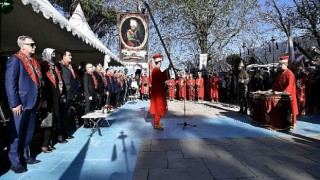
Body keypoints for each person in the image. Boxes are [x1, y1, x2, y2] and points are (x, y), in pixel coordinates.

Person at [5, 35, 41, 173]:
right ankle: (15, 162)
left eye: (34, 44)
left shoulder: (33, 61)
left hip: (32, 102)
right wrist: (15, 103)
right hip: (20, 103)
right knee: (17, 133)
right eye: (31, 44)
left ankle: (26, 156)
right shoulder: (15, 60)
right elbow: (10, 83)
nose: (34, 46)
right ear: (22, 46)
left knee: (28, 132)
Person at [40, 48, 62, 153]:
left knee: (54, 120)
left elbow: (57, 82)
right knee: (47, 121)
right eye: (52, 53)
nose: (54, 55)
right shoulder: (43, 65)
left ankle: (49, 142)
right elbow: (43, 84)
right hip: (47, 97)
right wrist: (43, 99)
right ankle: (44, 144)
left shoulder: (54, 66)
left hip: (55, 97)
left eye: (54, 53)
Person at [57, 50, 76, 143]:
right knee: (62, 116)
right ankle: (60, 135)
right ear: (63, 57)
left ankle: (65, 133)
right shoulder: (60, 67)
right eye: (69, 55)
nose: (71, 57)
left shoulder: (69, 67)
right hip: (65, 94)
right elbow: (61, 82)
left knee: (66, 115)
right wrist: (62, 95)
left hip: (70, 94)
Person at [272, 56, 298, 125]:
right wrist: (272, 90)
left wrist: (278, 92)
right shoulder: (280, 74)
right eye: (279, 64)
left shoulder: (290, 74)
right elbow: (276, 85)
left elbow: (288, 89)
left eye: (281, 64)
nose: (280, 66)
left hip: (289, 98)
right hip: (282, 97)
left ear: (285, 64)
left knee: (289, 115)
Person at [149, 54, 171, 130]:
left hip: (158, 92)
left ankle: (157, 122)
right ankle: (156, 124)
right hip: (158, 93)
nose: (161, 63)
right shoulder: (156, 70)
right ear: (159, 62)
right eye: (161, 62)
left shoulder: (156, 70)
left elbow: (162, 76)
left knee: (159, 108)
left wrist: (168, 69)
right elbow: (162, 77)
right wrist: (168, 70)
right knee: (158, 108)